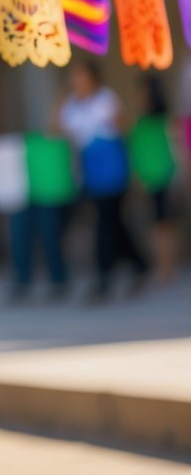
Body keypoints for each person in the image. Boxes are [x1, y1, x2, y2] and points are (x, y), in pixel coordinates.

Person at [55, 58, 148, 301]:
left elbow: (123, 130)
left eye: (80, 75)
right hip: (90, 171)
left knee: (105, 223)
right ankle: (140, 265)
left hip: (113, 169)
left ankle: (104, 278)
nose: (76, 80)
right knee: (114, 222)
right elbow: (54, 128)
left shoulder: (105, 99)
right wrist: (64, 98)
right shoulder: (72, 105)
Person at [135, 74, 177, 284]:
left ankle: (166, 267)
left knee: (163, 223)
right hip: (148, 179)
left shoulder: (163, 119)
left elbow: (174, 147)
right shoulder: (142, 120)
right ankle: (161, 266)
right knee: (156, 223)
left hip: (163, 176)